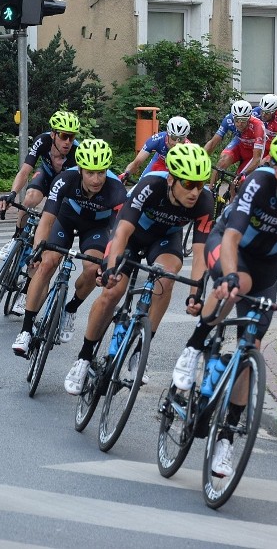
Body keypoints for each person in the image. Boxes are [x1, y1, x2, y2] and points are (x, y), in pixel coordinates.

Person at [171, 129, 277, 478]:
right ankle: (193, 349)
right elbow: (230, 237)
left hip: (267, 266)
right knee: (238, 284)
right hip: (230, 248)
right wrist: (228, 276)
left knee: (251, 347)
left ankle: (226, 438)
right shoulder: (258, 184)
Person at [63, 143, 215, 395]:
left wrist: (196, 292)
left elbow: (200, 252)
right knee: (112, 292)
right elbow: (122, 231)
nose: (195, 191)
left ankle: (139, 352)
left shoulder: (205, 201)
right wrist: (111, 268)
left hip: (165, 239)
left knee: (166, 279)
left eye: (200, 184)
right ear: (171, 179)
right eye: (188, 184)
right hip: (133, 235)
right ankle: (83, 358)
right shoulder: (151, 186)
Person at [11, 139, 128, 356]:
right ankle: (26, 330)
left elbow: (118, 232)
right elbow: (46, 221)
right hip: (67, 217)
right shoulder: (65, 179)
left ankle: (71, 308)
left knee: (93, 269)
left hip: (97, 226)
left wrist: (108, 262)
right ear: (80, 169)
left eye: (101, 172)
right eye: (90, 173)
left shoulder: (116, 189)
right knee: (47, 263)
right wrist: (37, 250)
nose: (96, 179)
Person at [0, 111, 80, 264]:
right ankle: (17, 237)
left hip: (63, 187)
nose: (68, 141)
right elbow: (24, 172)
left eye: (72, 136)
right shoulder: (42, 141)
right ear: (53, 134)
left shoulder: (77, 152)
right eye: (63, 135)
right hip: (46, 176)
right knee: (29, 198)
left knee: (52, 218)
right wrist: (12, 193)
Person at [203, 100, 265, 189]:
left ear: (249, 118)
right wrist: (200, 158)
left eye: (243, 121)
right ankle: (211, 190)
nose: (239, 124)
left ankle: (234, 200)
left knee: (235, 185)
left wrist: (243, 174)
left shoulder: (258, 125)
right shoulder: (228, 119)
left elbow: (257, 159)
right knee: (222, 162)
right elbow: (213, 142)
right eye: (236, 120)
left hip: (252, 153)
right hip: (239, 145)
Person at [120, 115, 192, 182]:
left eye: (181, 139)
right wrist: (126, 174)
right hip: (159, 162)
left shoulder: (189, 148)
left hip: (177, 167)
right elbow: (137, 162)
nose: (176, 143)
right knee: (143, 182)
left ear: (185, 137)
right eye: (174, 137)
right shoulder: (157, 139)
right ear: (168, 134)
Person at [252, 94, 277, 161]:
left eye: (267, 113)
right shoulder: (255, 112)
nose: (263, 115)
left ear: (275, 111)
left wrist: (266, 159)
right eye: (262, 111)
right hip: (265, 144)